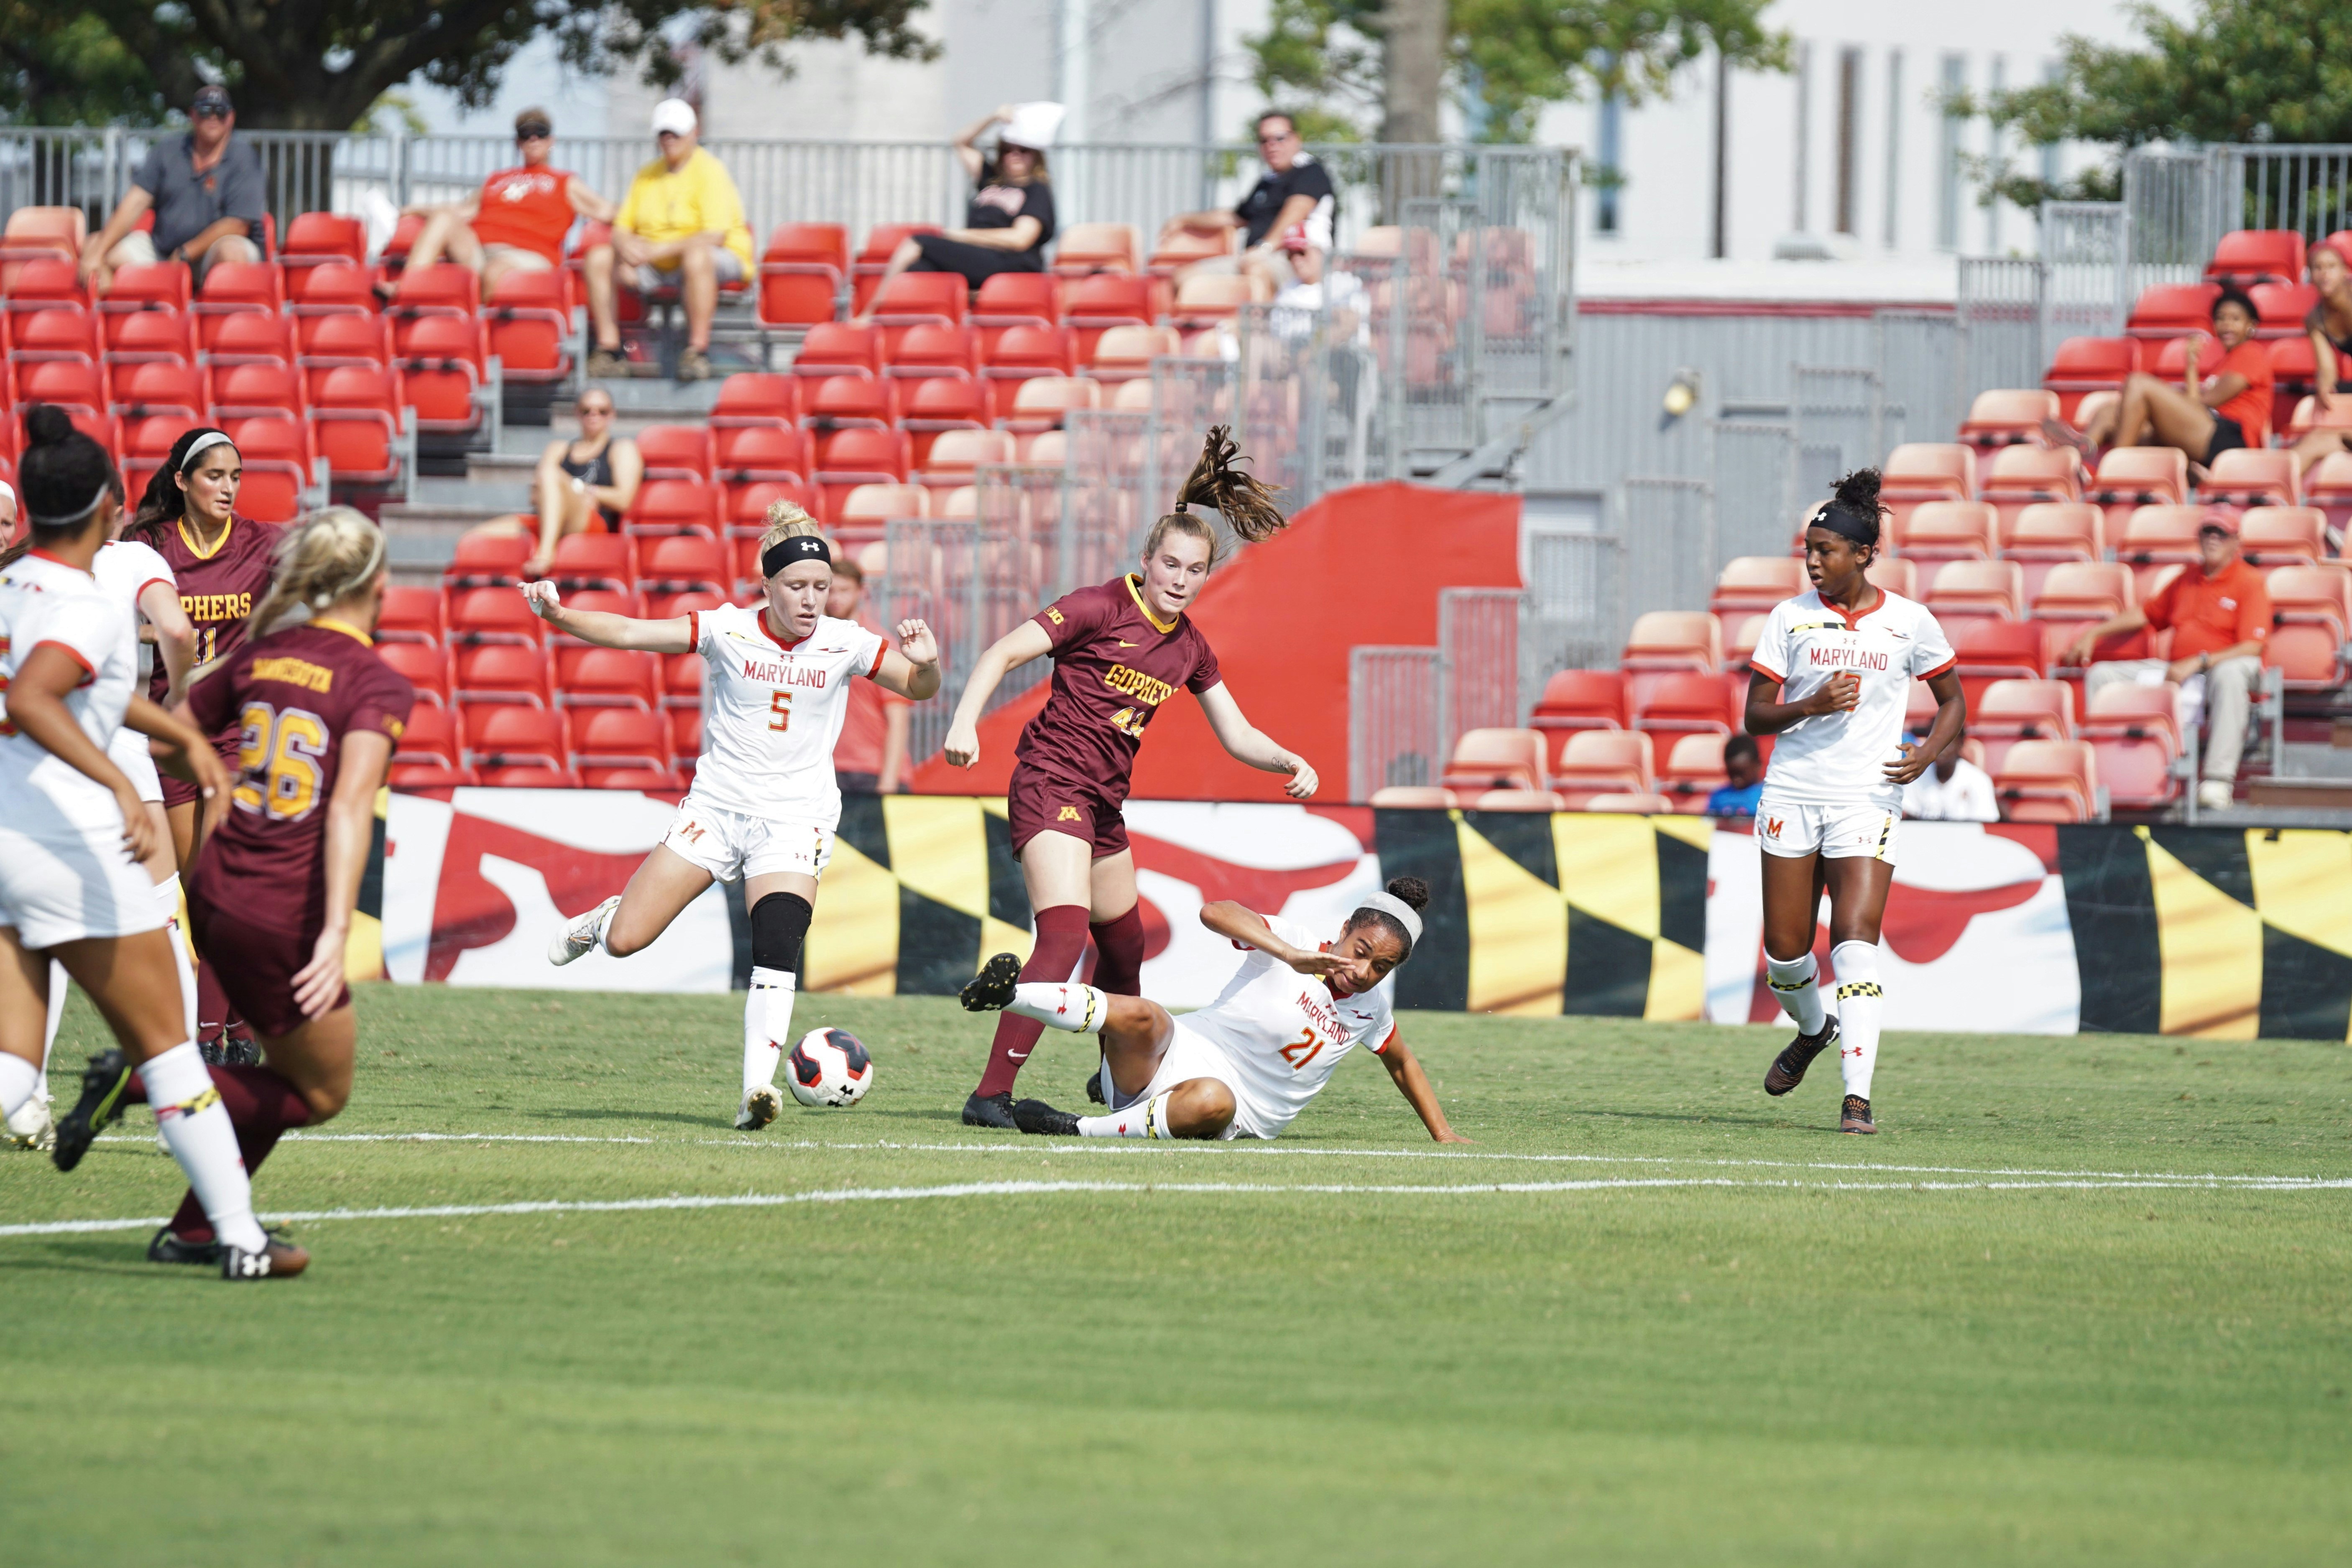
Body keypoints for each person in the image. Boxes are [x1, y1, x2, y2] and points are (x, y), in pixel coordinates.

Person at [942, 427, 1320, 1129]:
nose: (1179, 579)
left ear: (1207, 575)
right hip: (1050, 784)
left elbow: (1236, 734)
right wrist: (964, 722)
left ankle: (1117, 1074)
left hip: (1102, 807)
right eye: (1170, 564)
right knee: (1062, 936)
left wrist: (1289, 760)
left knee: (1126, 944)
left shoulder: (1192, 649)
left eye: (1194, 569)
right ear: (1146, 561)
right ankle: (989, 1094)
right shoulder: (1099, 607)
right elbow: (1001, 651)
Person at [0, 409, 302, 1280]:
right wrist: (119, 779)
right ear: (101, 507)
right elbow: (37, 699)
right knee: (172, 1054)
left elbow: (67, 691)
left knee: (15, 1071)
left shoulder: (11, 585)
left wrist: (174, 732)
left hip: (9, 839)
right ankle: (237, 1237)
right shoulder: (87, 599)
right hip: (66, 845)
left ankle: (234, 1231)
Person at [529, 507, 941, 1128]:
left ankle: (757, 1091)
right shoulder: (725, 629)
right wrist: (560, 616)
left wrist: (929, 661)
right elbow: (630, 632)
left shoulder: (847, 640)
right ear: (768, 585)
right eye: (797, 586)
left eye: (821, 587)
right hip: (717, 810)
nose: (811, 600)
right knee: (626, 941)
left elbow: (918, 689)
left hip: (795, 818)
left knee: (776, 949)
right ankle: (603, 920)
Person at [105, 508, 412, 1270]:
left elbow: (165, 729)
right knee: (320, 1093)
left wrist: (206, 767)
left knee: (281, 1072)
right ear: (374, 585)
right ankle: (149, 1081)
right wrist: (338, 931)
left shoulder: (266, 654)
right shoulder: (375, 679)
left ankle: (198, 1228)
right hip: (281, 906)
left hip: (214, 888)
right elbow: (347, 811)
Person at [1743, 470, 1965, 1137]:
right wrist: (1808, 704)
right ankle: (1814, 1030)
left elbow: (1952, 699)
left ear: (1864, 554)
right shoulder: (1789, 617)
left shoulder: (1909, 622)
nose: (1812, 561)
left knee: (1855, 947)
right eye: (1808, 550)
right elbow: (1754, 716)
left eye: (1825, 550)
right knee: (1785, 955)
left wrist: (1925, 756)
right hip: (1791, 792)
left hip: (1867, 797)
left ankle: (1857, 1098)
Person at [958, 877, 1462, 1143]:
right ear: (1347, 926)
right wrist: (1289, 954)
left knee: (1213, 1099)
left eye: (1382, 966)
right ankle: (1008, 995)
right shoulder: (1294, 941)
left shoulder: (1371, 1011)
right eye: (1361, 949)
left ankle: (1071, 1128)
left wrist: (1443, 1135)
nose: (1364, 969)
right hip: (1168, 1058)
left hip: (1227, 1109)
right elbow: (1214, 912)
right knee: (1147, 1015)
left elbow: (1402, 1062)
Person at [5, 478, 201, 1151]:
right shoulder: (127, 563)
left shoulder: (20, 579)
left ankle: (28, 1098)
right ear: (112, 509)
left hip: (27, 781)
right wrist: (179, 702)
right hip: (106, 766)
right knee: (160, 914)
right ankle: (182, 1088)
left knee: (38, 940)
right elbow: (176, 629)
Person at [120, 427, 283, 1063]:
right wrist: (157, 633)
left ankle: (213, 1036)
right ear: (183, 480)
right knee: (193, 888)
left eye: (236, 476)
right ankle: (235, 1029)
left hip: (237, 735)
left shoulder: (262, 543)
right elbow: (108, 606)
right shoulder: (150, 545)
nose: (228, 487)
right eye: (215, 476)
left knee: (222, 885)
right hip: (169, 734)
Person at [2064, 508, 2270, 814]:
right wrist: (2094, 634)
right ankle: (2101, 771)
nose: (2213, 539)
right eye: (2207, 532)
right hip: (2178, 667)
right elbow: (2147, 614)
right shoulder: (2187, 578)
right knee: (2102, 677)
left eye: (2221, 533)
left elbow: (2253, 646)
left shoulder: (2249, 582)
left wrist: (2200, 661)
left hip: (2224, 666)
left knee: (2229, 675)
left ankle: (2217, 779)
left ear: (2235, 541)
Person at [583, 99, 754, 384]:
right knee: (598, 257)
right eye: (664, 133)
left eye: (675, 133)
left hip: (716, 258)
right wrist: (625, 248)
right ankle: (610, 350)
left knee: (697, 256)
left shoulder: (710, 171)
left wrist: (656, 250)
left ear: (693, 133)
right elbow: (622, 227)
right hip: (658, 264)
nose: (669, 140)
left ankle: (696, 351)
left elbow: (715, 236)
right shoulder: (647, 174)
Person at [396, 108, 616, 301]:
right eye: (525, 135)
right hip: (481, 251)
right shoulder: (496, 179)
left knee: (495, 271)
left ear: (551, 141)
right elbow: (462, 210)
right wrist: (416, 209)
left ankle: (475, 331)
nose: (533, 140)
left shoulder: (565, 181)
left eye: (540, 134)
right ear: (517, 142)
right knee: (443, 218)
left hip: (529, 256)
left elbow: (605, 210)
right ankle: (407, 288)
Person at [857, 104, 1059, 313]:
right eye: (1007, 149)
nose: (1014, 155)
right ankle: (925, 332)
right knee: (920, 268)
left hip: (1011, 261)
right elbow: (960, 142)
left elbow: (1020, 239)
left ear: (1036, 155)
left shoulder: (1037, 190)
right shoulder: (990, 180)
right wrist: (993, 117)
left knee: (919, 241)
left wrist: (961, 236)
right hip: (978, 256)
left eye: (1023, 150)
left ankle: (872, 311)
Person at [78, 85, 263, 295]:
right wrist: (97, 253)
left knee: (232, 253)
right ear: (192, 116)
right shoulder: (167, 151)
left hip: (211, 253)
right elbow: (134, 203)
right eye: (205, 111)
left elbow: (237, 225)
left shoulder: (245, 157)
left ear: (231, 118)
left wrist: (186, 253)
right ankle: (120, 324)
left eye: (220, 112)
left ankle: (224, 327)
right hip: (163, 251)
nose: (213, 118)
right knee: (95, 246)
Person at [2067, 288, 2271, 472]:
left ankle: (2116, 469)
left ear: (2251, 326)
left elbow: (2208, 402)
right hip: (2208, 432)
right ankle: (2078, 463)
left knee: (2139, 384)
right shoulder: (2223, 363)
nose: (2226, 324)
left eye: (2235, 319)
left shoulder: (2251, 353)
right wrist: (2191, 367)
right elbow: (2196, 404)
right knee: (2109, 414)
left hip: (2231, 439)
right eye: (2221, 318)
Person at [466, 389, 644, 578]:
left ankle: (546, 554)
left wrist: (580, 490)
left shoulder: (621, 449)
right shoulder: (558, 449)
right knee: (472, 541)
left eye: (602, 411)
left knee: (551, 473)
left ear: (612, 415)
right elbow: (535, 495)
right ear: (578, 413)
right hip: (550, 520)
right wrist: (580, 492)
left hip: (591, 522)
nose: (594, 416)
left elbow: (624, 500)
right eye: (587, 411)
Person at [1158, 112, 1337, 296]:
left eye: (1280, 138)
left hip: (1296, 260)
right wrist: (1184, 220)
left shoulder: (1311, 173)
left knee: (1256, 271)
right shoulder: (1267, 182)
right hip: (1252, 258)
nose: (1272, 145)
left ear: (1296, 140)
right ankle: (1216, 325)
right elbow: (1236, 217)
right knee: (1184, 277)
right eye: (1264, 140)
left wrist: (1264, 250)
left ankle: (1261, 325)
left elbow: (1295, 214)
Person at [827, 555, 909, 794]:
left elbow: (898, 720)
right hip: (828, 769)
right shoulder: (814, 644)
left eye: (844, 590)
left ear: (861, 592)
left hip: (872, 773)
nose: (835, 598)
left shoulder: (880, 644)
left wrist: (888, 783)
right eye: (830, 590)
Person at [1899, 735, 1999, 822]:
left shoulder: (1979, 780)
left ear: (1960, 744)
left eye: (1947, 743)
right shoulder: (1916, 774)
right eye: (1936, 742)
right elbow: (1907, 816)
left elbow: (1986, 826)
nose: (1941, 749)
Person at [1706, 734, 1763, 817]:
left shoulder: (1766, 796)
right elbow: (1709, 823)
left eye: (1741, 773)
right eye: (1731, 773)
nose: (1736, 779)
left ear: (1758, 765)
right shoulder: (1719, 796)